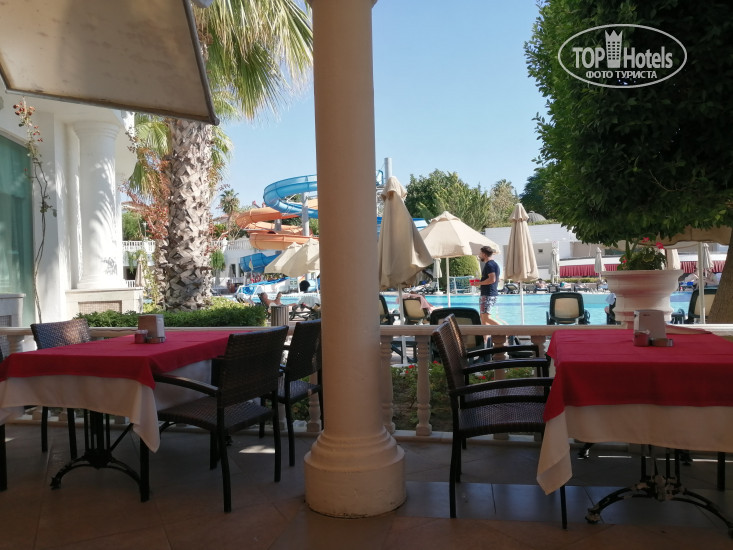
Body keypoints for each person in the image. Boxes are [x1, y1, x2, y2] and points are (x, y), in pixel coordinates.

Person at [477, 246, 502, 326]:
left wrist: (479, 283)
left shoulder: (489, 265)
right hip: (489, 294)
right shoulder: (494, 264)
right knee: (483, 318)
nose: (479, 255)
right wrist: (480, 282)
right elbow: (495, 279)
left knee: (486, 318)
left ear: (484, 254)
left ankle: (505, 331)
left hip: (488, 294)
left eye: (480, 253)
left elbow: (492, 279)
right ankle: (485, 335)